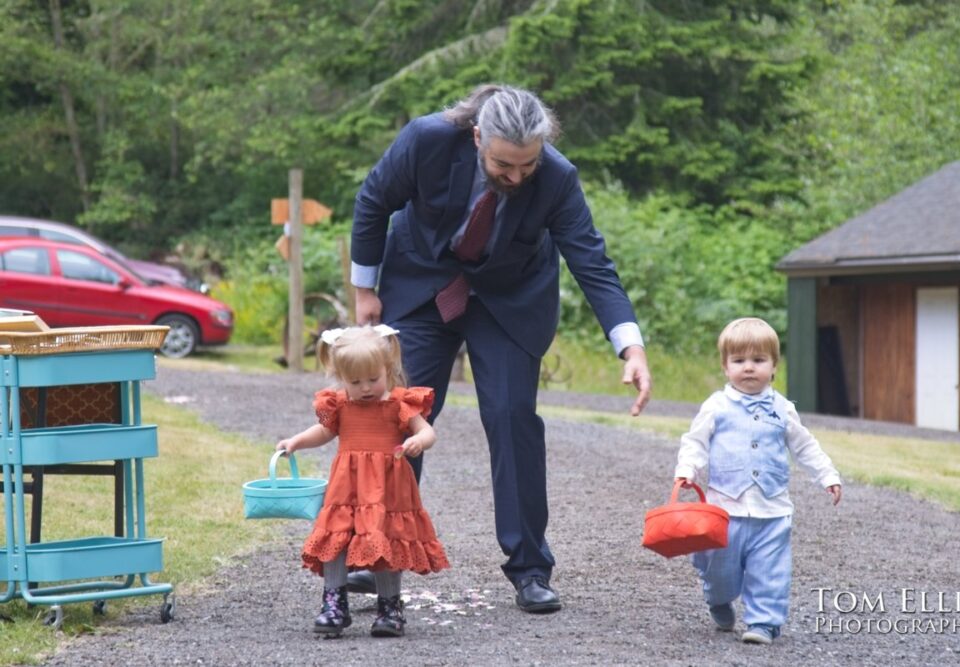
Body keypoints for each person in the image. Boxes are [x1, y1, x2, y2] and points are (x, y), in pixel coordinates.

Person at [348, 84, 652, 613]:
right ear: (476, 139)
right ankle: (378, 554)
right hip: (422, 285)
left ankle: (530, 568)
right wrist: (364, 291)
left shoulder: (557, 177)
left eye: (527, 165)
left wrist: (631, 347)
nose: (516, 177)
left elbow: (591, 261)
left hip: (508, 300)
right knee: (398, 414)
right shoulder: (426, 140)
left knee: (512, 418)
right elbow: (373, 201)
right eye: (503, 165)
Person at [674, 317, 842, 645]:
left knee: (770, 571)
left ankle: (764, 622)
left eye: (759, 360)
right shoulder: (716, 406)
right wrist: (687, 469)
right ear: (725, 367)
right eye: (739, 361)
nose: (749, 367)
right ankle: (718, 599)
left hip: (772, 511)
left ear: (774, 366)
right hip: (725, 510)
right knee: (720, 573)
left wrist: (827, 475)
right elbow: (695, 442)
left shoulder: (783, 409)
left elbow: (804, 445)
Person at [275, 324, 450, 638]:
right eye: (355, 382)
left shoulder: (399, 402)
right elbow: (325, 432)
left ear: (388, 368)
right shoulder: (339, 403)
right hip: (347, 489)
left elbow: (427, 431)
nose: (366, 388)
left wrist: (418, 441)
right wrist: (296, 441)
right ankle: (334, 604)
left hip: (388, 489)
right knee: (337, 539)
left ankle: (389, 607)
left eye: (373, 379)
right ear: (341, 377)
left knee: (386, 540)